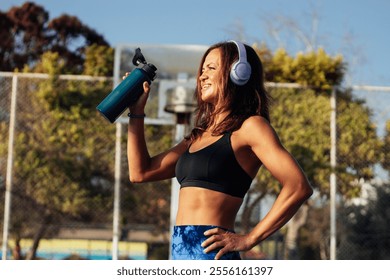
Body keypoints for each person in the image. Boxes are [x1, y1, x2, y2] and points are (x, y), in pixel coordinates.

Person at [125, 40, 313, 260]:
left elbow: (299, 187)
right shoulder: (197, 136)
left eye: (211, 68)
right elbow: (140, 172)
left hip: (212, 255)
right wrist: (136, 112)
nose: (202, 76)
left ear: (238, 73)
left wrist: (249, 239)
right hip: (179, 253)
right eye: (202, 70)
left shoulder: (251, 126)